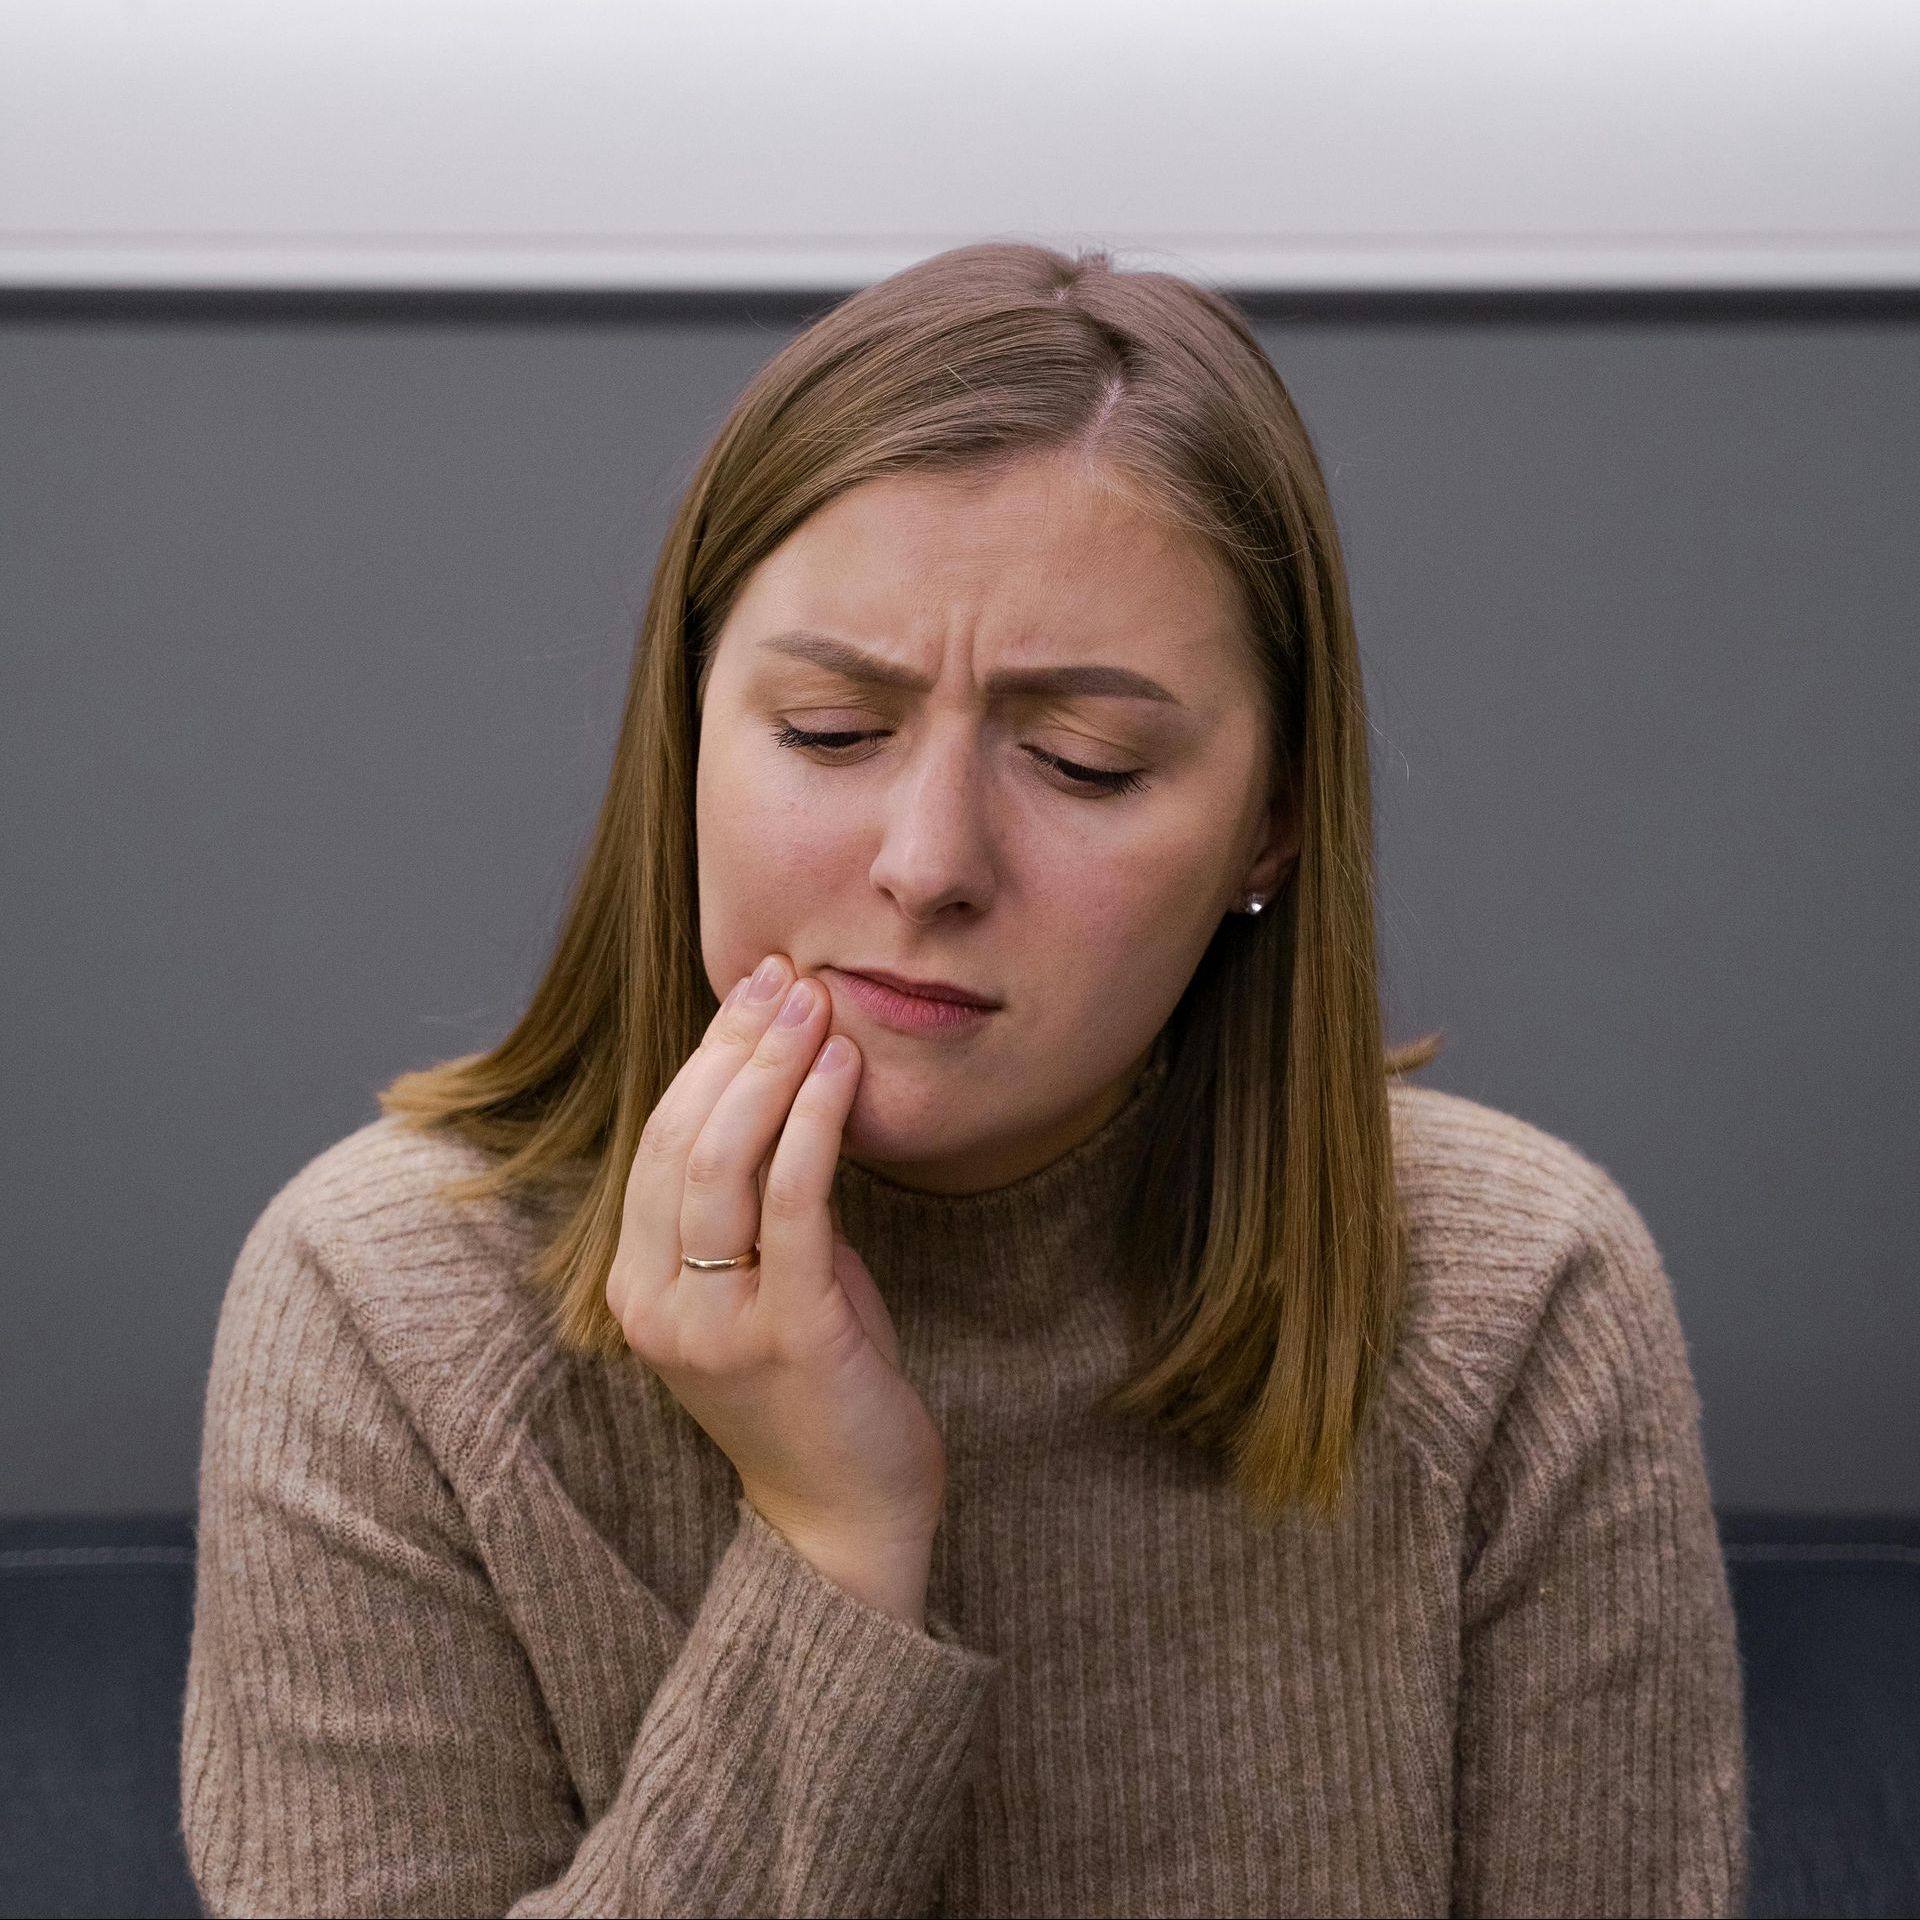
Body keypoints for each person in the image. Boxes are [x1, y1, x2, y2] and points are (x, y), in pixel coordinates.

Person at [180, 241, 1749, 1917]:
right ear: (688, 735)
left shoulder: (1519, 1298)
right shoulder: (377, 1312)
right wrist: (830, 1546)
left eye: (1086, 762)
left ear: (1271, 826)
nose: (928, 863)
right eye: (831, 734)